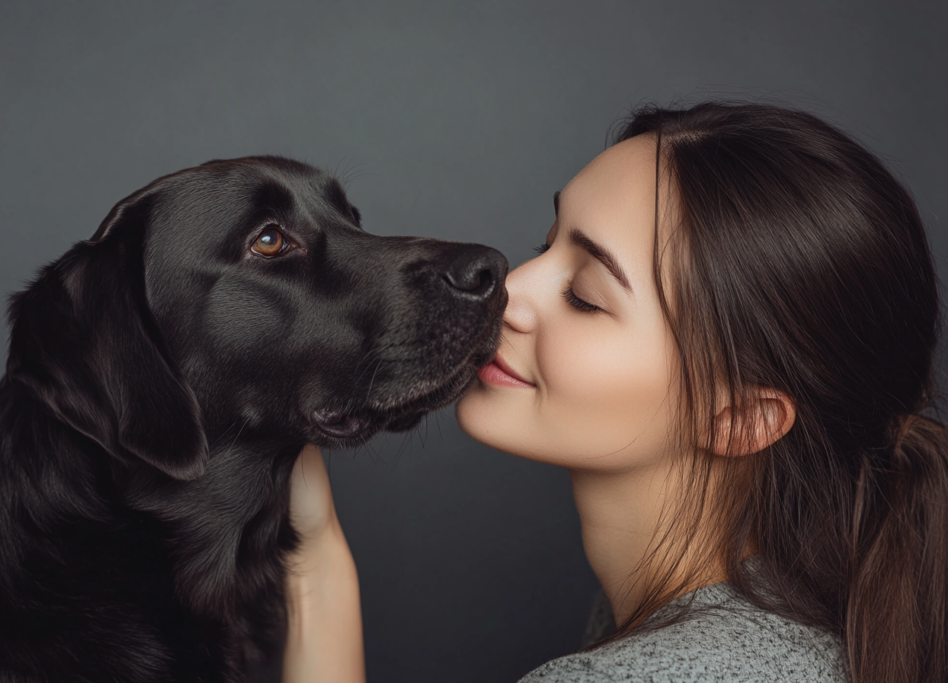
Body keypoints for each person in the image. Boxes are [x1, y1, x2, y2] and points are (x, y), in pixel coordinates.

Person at [281, 102, 948, 683]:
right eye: (543, 246)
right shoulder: (775, 623)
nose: (511, 291)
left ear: (741, 417)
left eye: (585, 297)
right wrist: (314, 560)